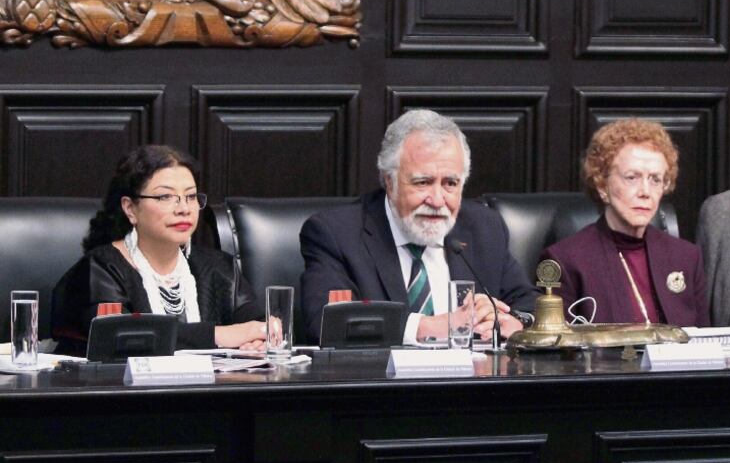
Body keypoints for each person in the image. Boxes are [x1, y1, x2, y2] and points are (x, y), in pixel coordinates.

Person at [300, 109, 538, 344]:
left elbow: (529, 303)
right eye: (423, 182)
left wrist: (512, 320)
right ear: (388, 180)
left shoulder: (484, 228)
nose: (437, 200)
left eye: (450, 183)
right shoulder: (336, 233)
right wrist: (434, 326)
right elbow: (325, 321)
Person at [52, 145, 264, 354]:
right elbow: (120, 336)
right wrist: (219, 335)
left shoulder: (219, 267)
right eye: (165, 197)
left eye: (190, 196)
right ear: (130, 208)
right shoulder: (101, 269)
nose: (183, 209)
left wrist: (260, 336)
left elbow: (258, 322)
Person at [540, 119, 709, 327]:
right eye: (632, 178)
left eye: (655, 179)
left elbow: (704, 344)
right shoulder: (566, 260)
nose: (645, 192)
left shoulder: (686, 257)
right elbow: (560, 352)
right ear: (602, 184)